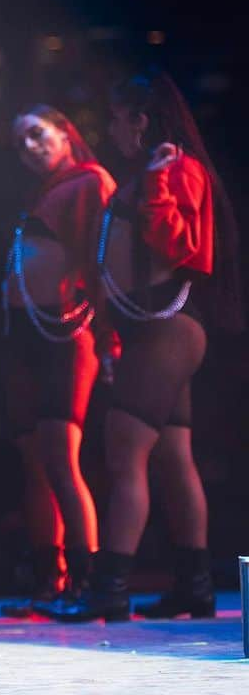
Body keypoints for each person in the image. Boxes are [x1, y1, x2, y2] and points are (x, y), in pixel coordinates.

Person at [44, 70, 242, 622]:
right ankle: (195, 587)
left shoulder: (177, 170)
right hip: (149, 329)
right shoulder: (148, 172)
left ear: (141, 119)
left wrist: (157, 185)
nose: (110, 129)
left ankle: (108, 589)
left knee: (123, 452)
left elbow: (184, 249)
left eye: (116, 118)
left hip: (169, 324)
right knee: (174, 458)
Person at [0, 106, 116, 617]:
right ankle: (51, 582)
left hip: (64, 333)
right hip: (24, 335)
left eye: (36, 134)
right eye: (19, 142)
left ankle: (88, 583)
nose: (28, 146)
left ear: (67, 132)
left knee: (59, 457)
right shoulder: (45, 191)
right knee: (33, 462)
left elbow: (104, 261)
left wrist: (111, 340)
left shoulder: (90, 182)